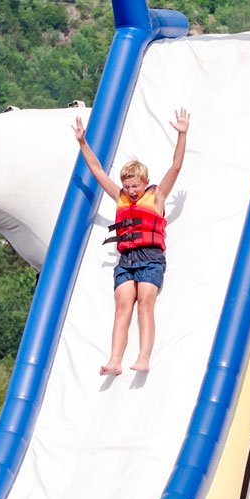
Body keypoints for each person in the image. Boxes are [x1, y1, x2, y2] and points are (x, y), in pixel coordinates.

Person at [73, 108, 190, 376]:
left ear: (145, 182)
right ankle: (115, 360)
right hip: (127, 261)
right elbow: (98, 171)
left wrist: (182, 134)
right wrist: (82, 143)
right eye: (127, 186)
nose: (131, 190)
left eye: (135, 186)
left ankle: (143, 356)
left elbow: (176, 167)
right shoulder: (121, 197)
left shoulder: (157, 196)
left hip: (150, 257)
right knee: (123, 305)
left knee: (145, 303)